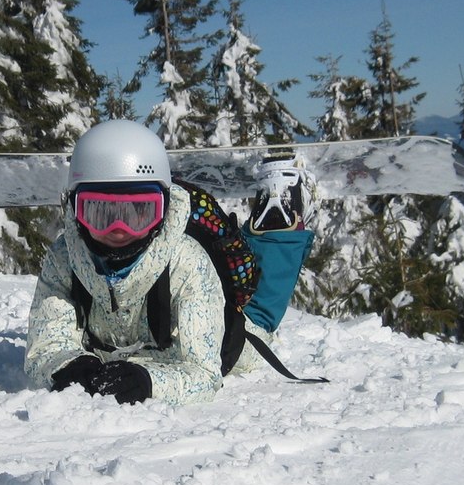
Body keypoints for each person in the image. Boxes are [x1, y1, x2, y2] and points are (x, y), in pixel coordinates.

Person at [24, 118, 315, 405]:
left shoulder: (186, 261)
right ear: (74, 208)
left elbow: (203, 372)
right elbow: (46, 347)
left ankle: (281, 212)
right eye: (100, 212)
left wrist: (149, 382)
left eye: (138, 213)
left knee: (259, 316)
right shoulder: (65, 257)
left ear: (163, 210)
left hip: (224, 338)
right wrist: (68, 366)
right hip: (125, 351)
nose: (118, 230)